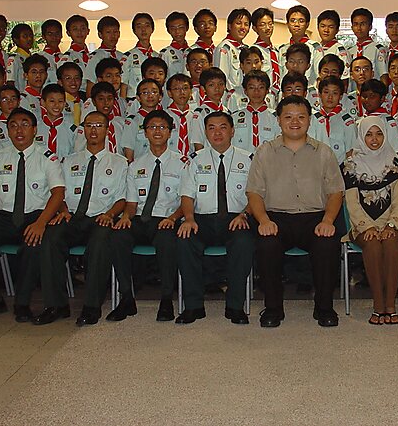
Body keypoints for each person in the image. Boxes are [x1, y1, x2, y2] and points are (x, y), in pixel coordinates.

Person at [247, 96, 345, 328]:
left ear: (309, 120)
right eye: (288, 117)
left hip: (315, 217)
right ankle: (273, 308)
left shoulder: (324, 152)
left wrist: (328, 220)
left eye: (301, 117)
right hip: (276, 218)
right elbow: (254, 192)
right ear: (279, 120)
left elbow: (335, 192)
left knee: (327, 244)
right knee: (267, 244)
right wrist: (263, 220)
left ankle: (324, 307)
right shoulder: (264, 152)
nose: (294, 122)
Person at [0, 108, 65, 321]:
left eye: (24, 125)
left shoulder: (47, 158)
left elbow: (58, 193)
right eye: (13, 126)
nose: (19, 130)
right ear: (7, 131)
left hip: (35, 216)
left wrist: (41, 223)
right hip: (4, 217)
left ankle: (22, 303)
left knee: (33, 244)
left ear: (34, 130)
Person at [39, 111, 128, 326]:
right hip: (71, 216)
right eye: (89, 126)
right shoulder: (69, 161)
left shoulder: (120, 162)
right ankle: (56, 305)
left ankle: (91, 306)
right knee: (50, 238)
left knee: (99, 243)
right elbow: (58, 192)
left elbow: (122, 199)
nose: (93, 130)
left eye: (99, 125)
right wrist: (63, 210)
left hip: (101, 217)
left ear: (107, 130)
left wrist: (110, 214)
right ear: (83, 130)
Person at [176, 111, 255, 324]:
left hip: (236, 219)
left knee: (244, 242)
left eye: (222, 127)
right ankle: (193, 306)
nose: (217, 132)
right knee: (184, 240)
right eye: (211, 128)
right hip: (202, 220)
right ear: (205, 132)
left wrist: (244, 214)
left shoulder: (248, 159)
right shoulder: (195, 160)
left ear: (232, 131)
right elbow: (187, 195)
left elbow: (256, 195)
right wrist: (189, 218)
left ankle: (235, 306)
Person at [112, 109, 185, 322]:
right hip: (140, 218)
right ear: (144, 133)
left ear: (170, 132)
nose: (157, 131)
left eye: (162, 127)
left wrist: (173, 218)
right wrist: (125, 217)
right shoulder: (136, 165)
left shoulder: (182, 163)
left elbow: (186, 201)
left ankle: (166, 300)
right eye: (152, 127)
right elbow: (131, 204)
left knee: (167, 240)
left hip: (167, 219)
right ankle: (127, 297)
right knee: (117, 236)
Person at [342, 116, 398, 325]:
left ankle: (390, 305)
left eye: (379, 134)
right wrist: (367, 227)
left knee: (391, 243)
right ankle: (378, 304)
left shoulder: (394, 162)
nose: (374, 139)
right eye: (369, 134)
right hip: (362, 225)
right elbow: (352, 203)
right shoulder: (350, 164)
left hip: (391, 223)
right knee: (372, 245)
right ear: (361, 136)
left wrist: (391, 225)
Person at [309, 76, 357, 164]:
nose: (330, 97)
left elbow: (351, 151)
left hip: (339, 167)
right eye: (326, 92)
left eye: (335, 93)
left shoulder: (347, 122)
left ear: (341, 96)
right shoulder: (312, 119)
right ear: (320, 94)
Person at [231, 71, 280, 152]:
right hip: (240, 159)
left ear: (267, 90)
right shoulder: (234, 118)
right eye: (252, 88)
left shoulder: (276, 118)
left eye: (261, 87)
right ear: (245, 91)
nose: (256, 92)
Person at [74, 82, 126, 154]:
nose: (106, 102)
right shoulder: (87, 126)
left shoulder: (122, 123)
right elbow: (78, 151)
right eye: (101, 99)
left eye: (110, 98)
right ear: (93, 101)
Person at [123, 78, 163, 161]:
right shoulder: (133, 121)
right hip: (141, 166)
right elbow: (129, 150)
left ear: (160, 96)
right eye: (145, 93)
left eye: (154, 92)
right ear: (138, 98)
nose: (150, 96)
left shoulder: (168, 119)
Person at [84, 15, 125, 96]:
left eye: (115, 32)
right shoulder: (94, 57)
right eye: (108, 32)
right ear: (100, 35)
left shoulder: (123, 57)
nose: (112, 36)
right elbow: (90, 87)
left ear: (119, 34)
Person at [188, 67, 228, 151]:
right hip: (207, 157)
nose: (217, 89)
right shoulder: (200, 114)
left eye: (220, 84)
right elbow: (198, 145)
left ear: (225, 86)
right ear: (203, 89)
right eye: (211, 85)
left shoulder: (227, 112)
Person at [214, 8, 251, 90]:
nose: (242, 27)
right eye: (238, 23)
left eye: (246, 24)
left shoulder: (246, 49)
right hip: (230, 96)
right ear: (230, 26)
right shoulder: (224, 48)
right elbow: (221, 79)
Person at [36, 84, 77, 159]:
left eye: (60, 101)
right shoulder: (35, 128)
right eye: (52, 101)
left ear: (64, 103)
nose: (56, 105)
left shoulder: (72, 130)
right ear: (43, 102)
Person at [123, 12, 158, 97]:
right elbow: (123, 85)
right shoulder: (128, 57)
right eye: (139, 26)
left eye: (147, 26)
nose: (143, 29)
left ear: (152, 29)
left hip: (154, 100)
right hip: (134, 101)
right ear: (134, 31)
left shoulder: (158, 56)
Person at [278, 5, 317, 82]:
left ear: (307, 24)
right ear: (287, 24)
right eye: (292, 21)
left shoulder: (315, 48)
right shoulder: (282, 49)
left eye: (301, 21)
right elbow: (281, 75)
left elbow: (318, 75)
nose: (296, 24)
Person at [347, 8, 386, 82]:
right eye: (355, 24)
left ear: (370, 27)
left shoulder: (378, 50)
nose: (359, 28)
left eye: (363, 24)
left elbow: (383, 75)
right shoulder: (350, 51)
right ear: (352, 27)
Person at [312, 9, 350, 81]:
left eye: (331, 27)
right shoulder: (314, 48)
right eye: (323, 26)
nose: (326, 30)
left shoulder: (340, 51)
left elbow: (344, 80)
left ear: (337, 30)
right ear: (318, 27)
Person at [251, 7, 282, 94]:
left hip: (279, 95)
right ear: (254, 28)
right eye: (262, 25)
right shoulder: (253, 52)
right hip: (263, 94)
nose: (268, 28)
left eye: (270, 24)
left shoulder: (277, 51)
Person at [166, 73, 193, 156]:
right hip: (170, 160)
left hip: (192, 160)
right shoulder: (163, 117)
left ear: (191, 92)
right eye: (177, 89)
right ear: (169, 93)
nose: (182, 92)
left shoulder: (196, 116)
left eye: (185, 88)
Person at [159, 11, 191, 79]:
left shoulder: (192, 52)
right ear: (168, 30)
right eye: (173, 28)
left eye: (180, 27)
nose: (177, 31)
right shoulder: (165, 54)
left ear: (187, 28)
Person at [35, 19, 64, 84]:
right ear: (43, 36)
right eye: (50, 34)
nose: (54, 37)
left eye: (57, 33)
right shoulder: (38, 58)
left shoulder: (66, 57)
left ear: (61, 35)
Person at [57, 61, 84, 126]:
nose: (73, 82)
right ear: (60, 82)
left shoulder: (85, 101)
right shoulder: (57, 102)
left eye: (77, 78)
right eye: (68, 78)